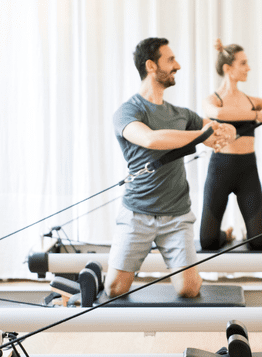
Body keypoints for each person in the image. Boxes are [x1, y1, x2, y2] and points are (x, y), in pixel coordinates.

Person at [106, 37, 236, 299]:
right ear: (151, 66)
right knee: (114, 289)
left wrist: (226, 131)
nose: (178, 65)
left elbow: (221, 127)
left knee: (189, 289)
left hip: (177, 216)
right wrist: (202, 136)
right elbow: (151, 140)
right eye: (171, 59)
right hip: (137, 214)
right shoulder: (128, 111)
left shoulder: (181, 114)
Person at [199, 39, 262, 251]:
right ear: (228, 68)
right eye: (243, 63)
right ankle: (226, 234)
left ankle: (246, 232)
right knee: (208, 243)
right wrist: (258, 116)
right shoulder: (213, 100)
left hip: (247, 171)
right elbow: (218, 114)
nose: (249, 68)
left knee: (259, 242)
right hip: (220, 170)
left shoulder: (251, 100)